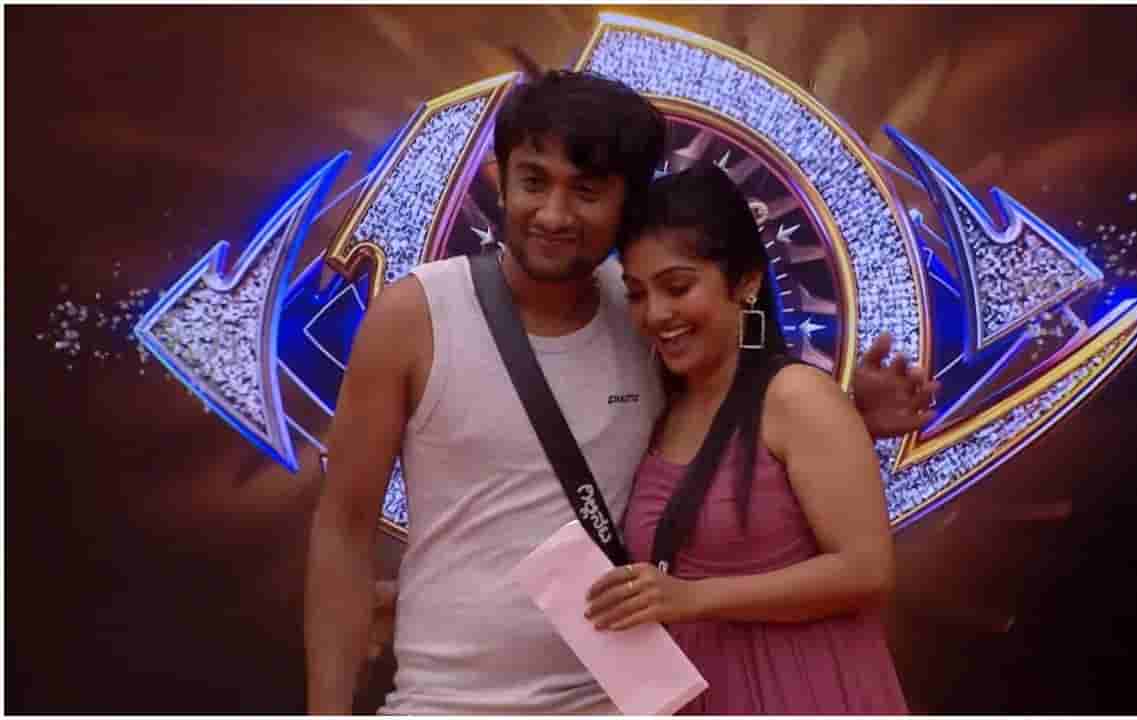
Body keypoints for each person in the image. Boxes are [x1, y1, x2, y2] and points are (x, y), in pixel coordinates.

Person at [305, 70, 935, 715]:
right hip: (445, 702)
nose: (553, 214)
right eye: (533, 181)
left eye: (586, 190)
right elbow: (343, 530)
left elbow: (733, 428)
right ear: (501, 179)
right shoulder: (414, 315)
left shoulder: (643, 316)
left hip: (625, 702)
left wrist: (846, 417)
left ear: (625, 202)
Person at [585, 164, 908, 714]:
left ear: (746, 282)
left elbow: (867, 570)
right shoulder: (665, 410)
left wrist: (694, 598)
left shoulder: (795, 395)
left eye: (678, 287)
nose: (656, 314)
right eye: (636, 294)